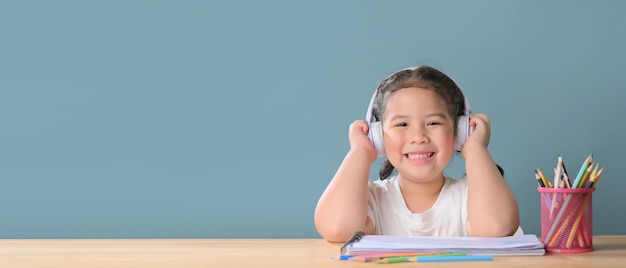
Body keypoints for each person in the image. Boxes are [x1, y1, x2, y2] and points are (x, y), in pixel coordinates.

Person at [314, 66, 520, 243]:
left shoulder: (471, 195)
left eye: (433, 123)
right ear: (378, 136)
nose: (419, 137)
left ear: (460, 131)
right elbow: (336, 228)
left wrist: (476, 149)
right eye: (402, 124)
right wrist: (360, 151)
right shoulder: (368, 198)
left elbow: (495, 228)